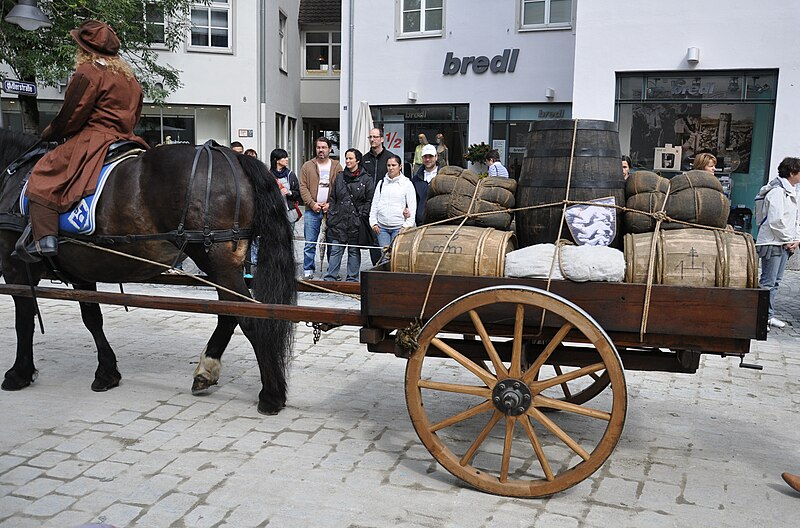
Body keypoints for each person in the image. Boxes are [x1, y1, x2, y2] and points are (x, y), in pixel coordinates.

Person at [22, 20, 149, 259]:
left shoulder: (88, 72)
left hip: (94, 139)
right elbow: (136, 113)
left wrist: (50, 133)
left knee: (43, 175)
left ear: (84, 49)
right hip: (127, 139)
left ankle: (45, 239)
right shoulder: (129, 79)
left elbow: (72, 114)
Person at [755, 156, 800, 330]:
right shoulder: (776, 191)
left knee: (776, 282)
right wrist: (789, 239)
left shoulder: (791, 191)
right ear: (792, 172)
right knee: (767, 282)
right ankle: (760, 318)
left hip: (783, 243)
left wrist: (796, 239)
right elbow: (775, 220)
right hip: (772, 243)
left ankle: (769, 316)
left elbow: (794, 219)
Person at [324, 148, 374, 282]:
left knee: (353, 251)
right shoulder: (340, 176)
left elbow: (369, 200)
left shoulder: (366, 178)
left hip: (355, 221)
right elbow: (333, 197)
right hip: (338, 220)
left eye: (350, 158)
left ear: (358, 160)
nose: (347, 161)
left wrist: (362, 216)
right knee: (335, 250)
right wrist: (332, 215)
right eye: (346, 158)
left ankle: (352, 279)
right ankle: (330, 278)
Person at [299, 137, 343, 279]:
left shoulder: (336, 166)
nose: (321, 150)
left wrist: (331, 204)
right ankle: (308, 270)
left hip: (331, 211)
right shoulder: (307, 166)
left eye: (324, 147)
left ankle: (332, 271)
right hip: (312, 210)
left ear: (330, 149)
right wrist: (312, 204)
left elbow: (340, 187)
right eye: (318, 147)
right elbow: (303, 187)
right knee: (310, 242)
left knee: (332, 243)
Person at [369, 154, 416, 259]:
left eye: (394, 165)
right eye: (389, 165)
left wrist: (406, 226)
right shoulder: (381, 183)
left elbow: (412, 207)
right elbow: (375, 205)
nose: (391, 168)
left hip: (399, 228)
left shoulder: (407, 184)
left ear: (400, 167)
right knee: (385, 256)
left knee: (397, 256)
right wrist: (373, 223)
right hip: (382, 229)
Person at [362, 127, 395, 265]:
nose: (372, 140)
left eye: (375, 137)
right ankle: (376, 265)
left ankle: (387, 265)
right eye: (370, 137)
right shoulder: (364, 159)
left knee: (384, 237)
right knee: (372, 238)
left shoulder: (390, 158)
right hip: (368, 203)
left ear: (382, 139)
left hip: (386, 203)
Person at [409, 144, 439, 226]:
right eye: (425, 156)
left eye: (431, 156)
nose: (428, 159)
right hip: (421, 223)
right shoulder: (416, 180)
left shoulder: (443, 177)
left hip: (440, 223)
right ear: (422, 158)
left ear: (436, 157)